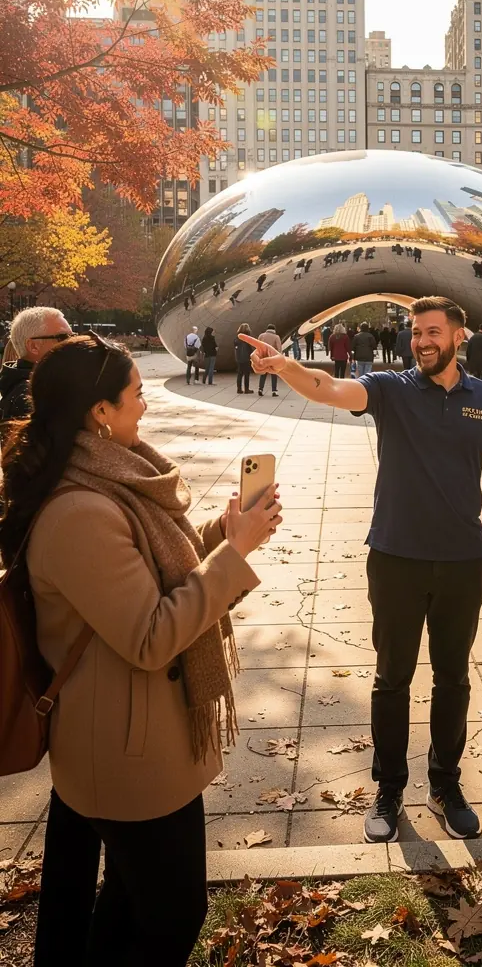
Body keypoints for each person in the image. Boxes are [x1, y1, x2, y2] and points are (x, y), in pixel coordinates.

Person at [0, 333, 280, 966]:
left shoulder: (114, 475)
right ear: (100, 411)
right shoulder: (80, 512)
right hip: (125, 755)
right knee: (172, 915)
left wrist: (223, 535)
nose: (145, 406)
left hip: (145, 739)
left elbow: (152, 571)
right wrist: (233, 557)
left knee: (131, 901)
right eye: (137, 393)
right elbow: (151, 636)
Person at [241, 297, 482, 845]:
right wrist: (286, 366)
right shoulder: (391, 388)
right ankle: (389, 788)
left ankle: (445, 785)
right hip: (394, 558)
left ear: (459, 337)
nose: (423, 341)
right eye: (417, 332)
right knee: (392, 679)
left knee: (453, 678)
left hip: (462, 560)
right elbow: (330, 390)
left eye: (434, 332)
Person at [0, 307, 72, 422]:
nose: (72, 343)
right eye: (63, 337)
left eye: (73, 336)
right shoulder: (31, 395)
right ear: (33, 346)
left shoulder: (37, 386)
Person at [256, 325, 282, 396]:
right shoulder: (276, 337)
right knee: (273, 374)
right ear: (274, 329)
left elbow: (257, 346)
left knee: (263, 374)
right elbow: (279, 349)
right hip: (272, 358)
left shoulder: (261, 336)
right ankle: (274, 391)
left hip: (263, 358)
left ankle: (260, 389)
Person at [234, 323, 254, 394]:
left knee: (240, 373)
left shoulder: (237, 337)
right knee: (246, 374)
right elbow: (250, 348)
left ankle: (239, 389)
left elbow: (235, 347)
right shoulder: (247, 337)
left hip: (239, 358)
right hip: (246, 358)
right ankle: (246, 389)